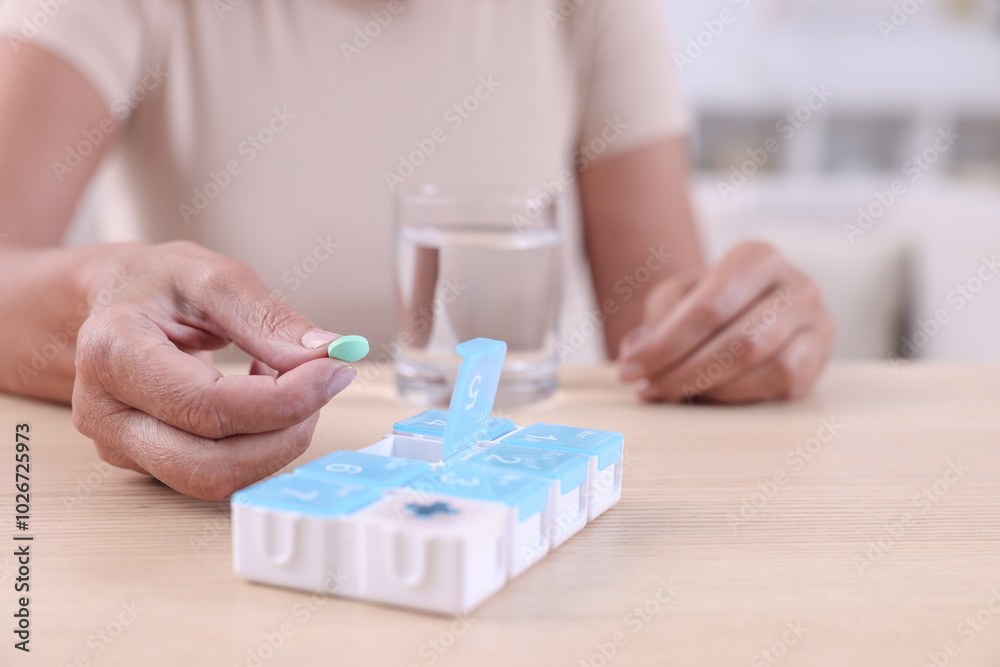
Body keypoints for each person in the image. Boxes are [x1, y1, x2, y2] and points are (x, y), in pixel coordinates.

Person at [0, 0, 834, 500]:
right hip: (200, 533)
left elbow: (659, 318)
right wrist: (94, 300)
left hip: (509, 496)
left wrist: (730, 328)